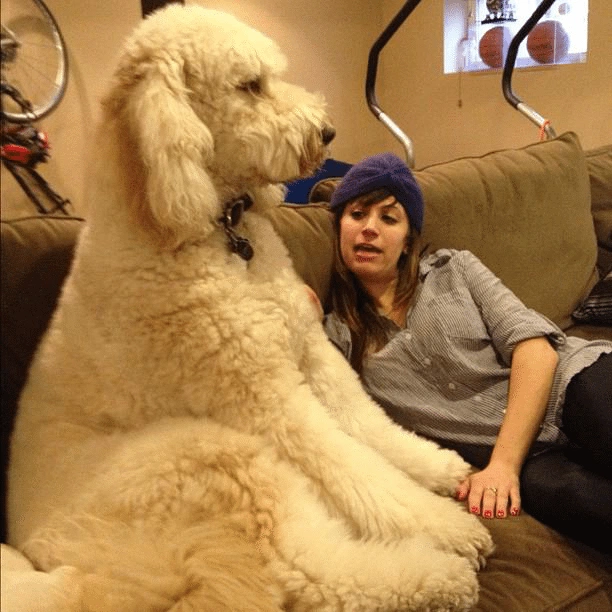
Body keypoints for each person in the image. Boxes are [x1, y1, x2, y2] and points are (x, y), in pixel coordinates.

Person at [320, 152, 612, 551]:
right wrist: (300, 308)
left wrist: (503, 465)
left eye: (388, 218)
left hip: (574, 382)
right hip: (535, 459)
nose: (369, 228)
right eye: (357, 215)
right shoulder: (336, 338)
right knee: (579, 504)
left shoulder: (454, 269)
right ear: (339, 227)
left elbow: (535, 350)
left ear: (407, 242)